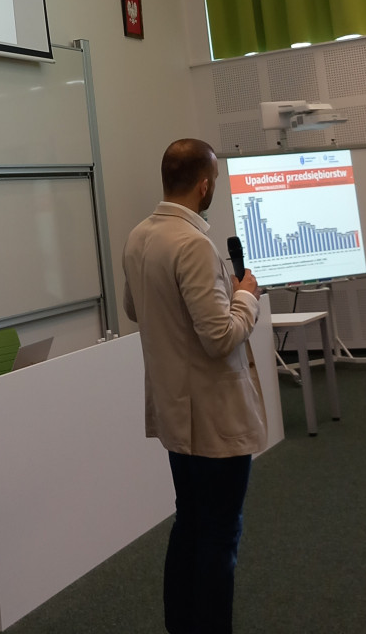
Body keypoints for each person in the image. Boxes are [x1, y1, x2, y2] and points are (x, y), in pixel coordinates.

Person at [122, 138, 267, 634]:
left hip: (175, 412)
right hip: (213, 417)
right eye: (216, 181)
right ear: (204, 186)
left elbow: (134, 309)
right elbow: (220, 337)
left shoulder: (139, 235)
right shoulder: (194, 244)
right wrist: (246, 296)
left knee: (189, 523)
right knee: (220, 535)